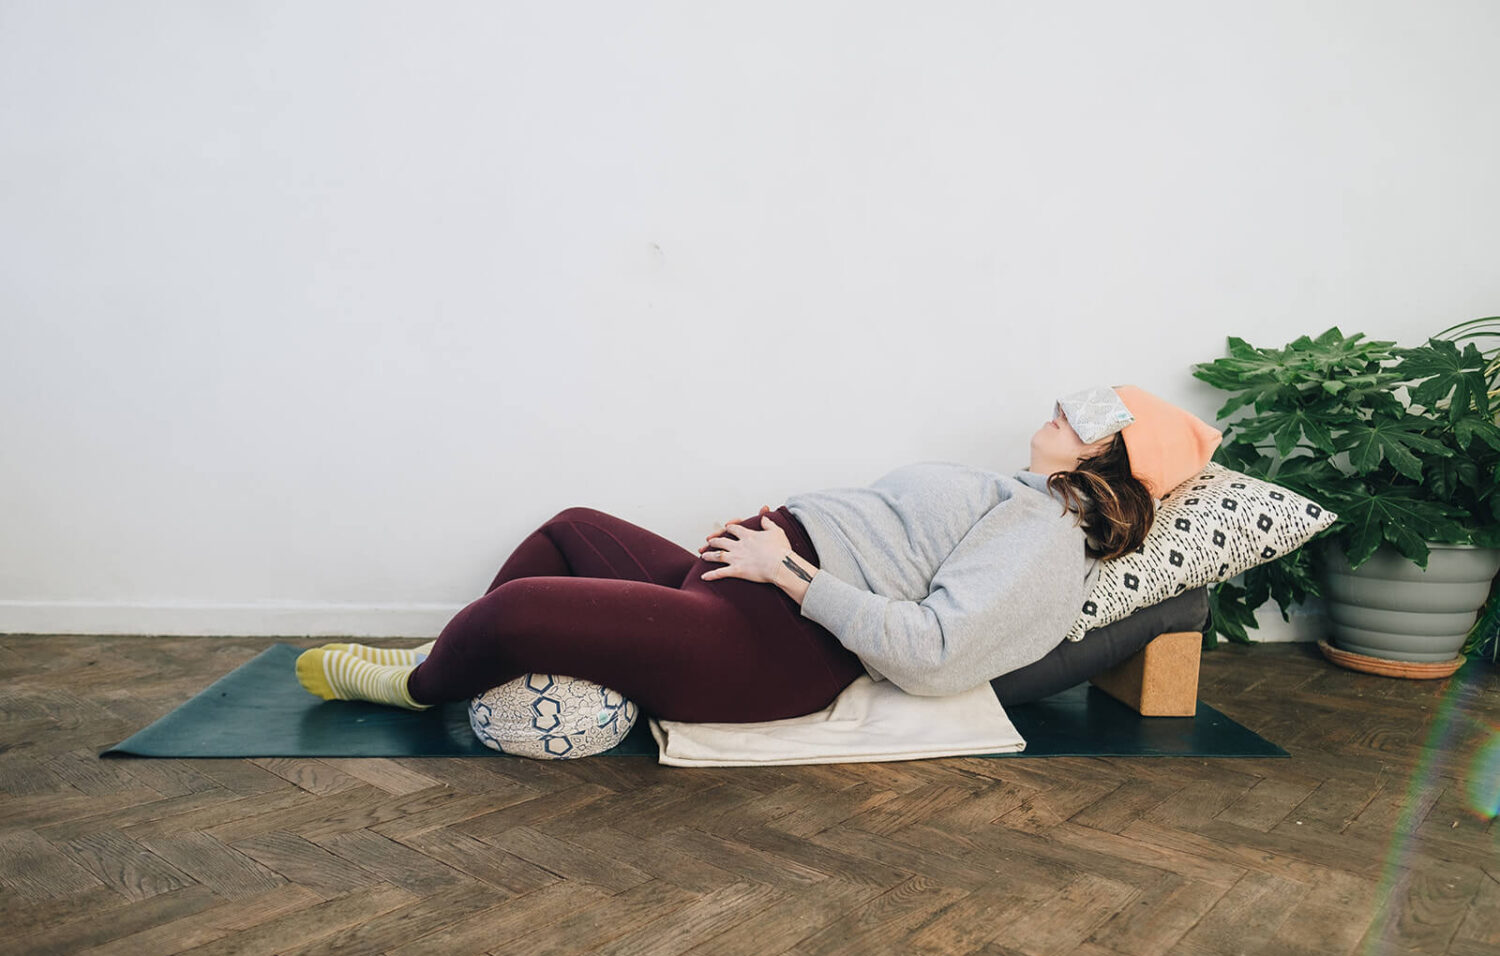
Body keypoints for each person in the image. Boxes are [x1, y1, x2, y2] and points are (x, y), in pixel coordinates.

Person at [295, 384, 1220, 723]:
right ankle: (469, 667)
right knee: (572, 528)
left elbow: (941, 655)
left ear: (1110, 456)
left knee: (520, 608)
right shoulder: (1015, 497)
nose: (1061, 407)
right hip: (742, 591)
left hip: (771, 649)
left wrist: (792, 572)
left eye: (1090, 416)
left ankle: (420, 688)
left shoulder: (1046, 535)